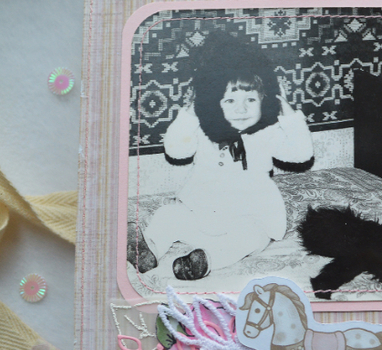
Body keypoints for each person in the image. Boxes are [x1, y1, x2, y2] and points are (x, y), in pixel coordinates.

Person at [127, 32, 314, 280]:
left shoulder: (267, 133)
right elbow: (175, 150)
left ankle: (205, 260)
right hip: (201, 215)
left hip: (247, 217)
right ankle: (149, 250)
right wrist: (190, 114)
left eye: (250, 99)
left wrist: (289, 116)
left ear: (265, 101)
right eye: (230, 100)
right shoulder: (203, 130)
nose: (241, 109)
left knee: (253, 237)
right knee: (168, 215)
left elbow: (301, 155)